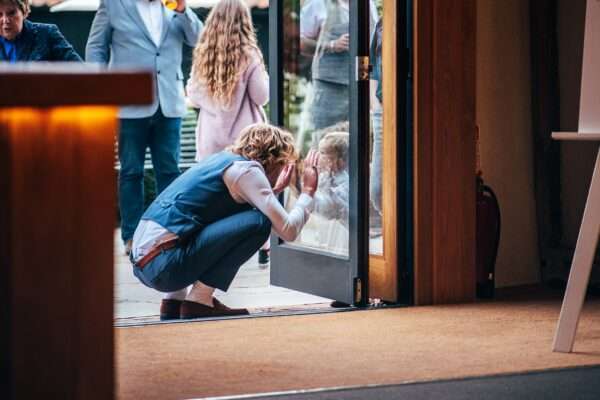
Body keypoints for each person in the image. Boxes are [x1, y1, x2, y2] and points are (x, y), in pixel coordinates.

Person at [130, 124, 320, 319]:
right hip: (164, 266)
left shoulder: (222, 162)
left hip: (147, 265)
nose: (283, 171)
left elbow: (213, 217)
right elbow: (288, 230)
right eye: (283, 165)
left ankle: (174, 301)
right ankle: (200, 300)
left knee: (204, 222)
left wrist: (273, 191)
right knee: (259, 222)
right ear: (274, 160)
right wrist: (308, 192)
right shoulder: (247, 171)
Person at [85, 0, 202, 256]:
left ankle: (168, 230)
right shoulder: (113, 5)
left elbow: (199, 39)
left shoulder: (175, 7)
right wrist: (99, 89)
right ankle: (132, 236)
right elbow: (96, 47)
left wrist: (183, 10)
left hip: (169, 102)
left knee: (169, 171)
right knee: (131, 172)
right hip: (128, 103)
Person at [187, 0, 268, 162]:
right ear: (244, 21)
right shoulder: (250, 55)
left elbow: (194, 98)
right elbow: (262, 97)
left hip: (210, 143)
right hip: (245, 142)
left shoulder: (204, 54)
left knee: (214, 187)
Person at [0, 0, 81, 62]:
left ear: (24, 12)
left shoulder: (47, 33)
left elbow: (80, 70)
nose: (5, 20)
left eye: (11, 13)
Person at [313, 131, 349, 227]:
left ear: (341, 161)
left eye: (324, 154)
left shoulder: (345, 181)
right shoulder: (324, 176)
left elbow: (331, 210)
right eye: (320, 152)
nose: (319, 158)